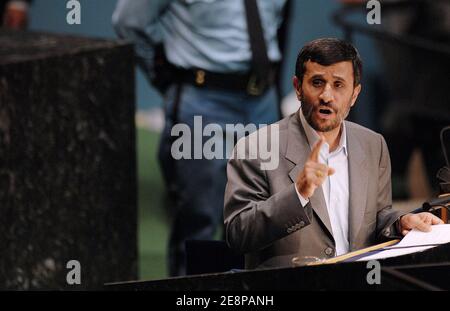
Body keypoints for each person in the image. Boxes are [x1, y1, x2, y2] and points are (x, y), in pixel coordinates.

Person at [224, 38, 443, 270]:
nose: (327, 96)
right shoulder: (256, 147)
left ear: (355, 94)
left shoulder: (373, 144)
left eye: (338, 85)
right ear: (298, 87)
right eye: (317, 82)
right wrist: (298, 194)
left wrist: (400, 222)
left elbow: (378, 218)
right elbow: (238, 233)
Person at [112, 0, 289, 276]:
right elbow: (129, 22)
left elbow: (274, 19)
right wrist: (166, 80)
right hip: (205, 102)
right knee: (199, 223)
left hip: (262, 101)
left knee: (262, 226)